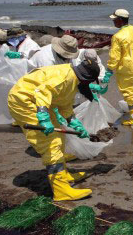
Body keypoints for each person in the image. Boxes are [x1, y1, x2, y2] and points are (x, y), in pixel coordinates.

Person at [7, 60, 99, 201]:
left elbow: (64, 104)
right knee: (51, 143)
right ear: (86, 79)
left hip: (37, 101)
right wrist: (43, 118)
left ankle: (64, 174)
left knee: (59, 137)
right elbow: (42, 92)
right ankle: (61, 190)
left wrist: (74, 123)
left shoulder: (73, 80)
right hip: (24, 101)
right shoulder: (64, 79)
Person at [102, 9, 133, 126]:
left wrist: (108, 71)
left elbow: (115, 57)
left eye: (114, 19)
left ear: (119, 20)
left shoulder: (118, 36)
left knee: (130, 94)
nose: (113, 21)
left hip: (129, 70)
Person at [28, 35, 106, 81]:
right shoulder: (46, 60)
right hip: (35, 83)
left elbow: (87, 54)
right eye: (67, 55)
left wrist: (101, 76)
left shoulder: (66, 51)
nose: (69, 58)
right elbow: (50, 82)